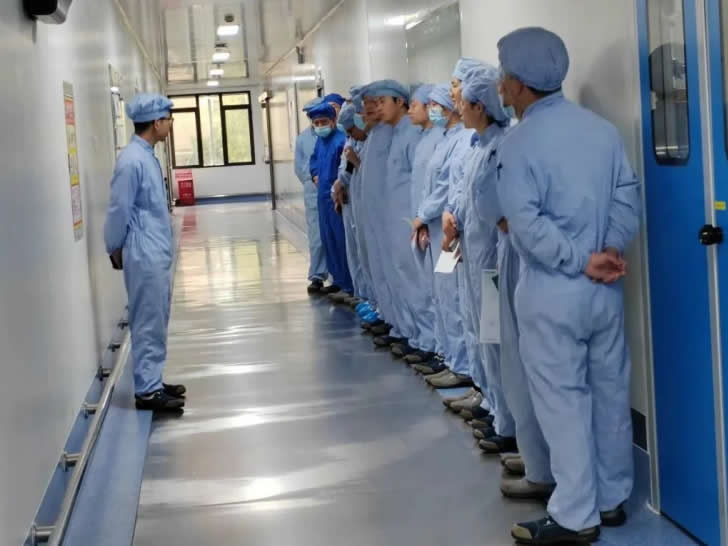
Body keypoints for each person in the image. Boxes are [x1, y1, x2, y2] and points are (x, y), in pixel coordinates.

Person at [495, 27, 641, 544]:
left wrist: (581, 260)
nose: (500, 86)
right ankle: (611, 498)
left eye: (503, 77)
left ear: (519, 84)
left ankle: (576, 515)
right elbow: (626, 196)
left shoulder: (518, 143)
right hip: (604, 291)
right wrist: (609, 250)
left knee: (563, 403)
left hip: (553, 290)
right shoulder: (601, 132)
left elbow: (527, 225)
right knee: (609, 392)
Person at [451, 65, 519, 456]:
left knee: (496, 344)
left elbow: (500, 212)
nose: (458, 107)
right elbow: (471, 203)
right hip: (477, 261)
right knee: (485, 341)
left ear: (480, 106)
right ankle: (497, 412)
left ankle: (509, 426)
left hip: (493, 266)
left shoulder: (500, 148)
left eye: (464, 101)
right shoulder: (478, 147)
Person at [104, 94, 186, 412]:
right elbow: (118, 209)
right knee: (147, 319)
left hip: (154, 249)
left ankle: (152, 380)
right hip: (143, 250)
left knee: (155, 316)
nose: (170, 124)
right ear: (156, 122)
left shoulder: (145, 155)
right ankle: (148, 391)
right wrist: (114, 246)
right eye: (168, 119)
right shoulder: (131, 161)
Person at [367, 80, 423, 351]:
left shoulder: (411, 134)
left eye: (382, 102)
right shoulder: (394, 133)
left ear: (400, 102)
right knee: (400, 276)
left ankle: (423, 339)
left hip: (407, 220)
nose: (378, 108)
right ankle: (405, 330)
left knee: (413, 280)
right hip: (394, 219)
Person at [400, 83, 444, 363]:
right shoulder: (424, 139)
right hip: (426, 223)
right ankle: (434, 344)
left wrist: (425, 216)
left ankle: (441, 350)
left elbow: (442, 187)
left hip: (438, 225)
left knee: (443, 293)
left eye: (413, 106)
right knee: (429, 288)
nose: (409, 111)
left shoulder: (442, 139)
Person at [309, 102, 353, 297]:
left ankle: (349, 285)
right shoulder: (320, 142)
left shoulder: (340, 141)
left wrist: (339, 189)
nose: (320, 126)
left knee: (341, 241)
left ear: (333, 121)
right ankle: (338, 281)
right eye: (316, 123)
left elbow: (345, 171)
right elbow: (313, 161)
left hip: (337, 199)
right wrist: (314, 174)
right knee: (329, 241)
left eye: (323, 122)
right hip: (323, 199)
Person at [330, 99, 368, 305]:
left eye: (352, 131)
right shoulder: (352, 141)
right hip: (351, 200)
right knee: (355, 251)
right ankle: (362, 295)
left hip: (368, 203)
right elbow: (344, 169)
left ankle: (370, 299)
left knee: (368, 254)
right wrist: (338, 188)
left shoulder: (372, 142)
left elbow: (372, 175)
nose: (351, 136)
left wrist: (356, 162)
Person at [294, 97, 328, 294]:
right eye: (311, 115)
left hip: (332, 189)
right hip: (313, 191)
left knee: (334, 234)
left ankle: (338, 275)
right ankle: (317, 275)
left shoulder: (336, 134)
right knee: (316, 236)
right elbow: (299, 167)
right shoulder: (303, 138)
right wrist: (311, 182)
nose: (314, 118)